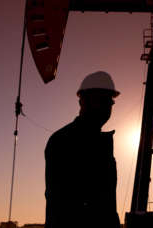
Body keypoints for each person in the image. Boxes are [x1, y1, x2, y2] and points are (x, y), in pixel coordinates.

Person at [44, 71, 121, 228]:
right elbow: (64, 202)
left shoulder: (100, 143)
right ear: (83, 102)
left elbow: (106, 203)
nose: (107, 107)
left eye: (109, 101)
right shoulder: (64, 141)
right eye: (101, 100)